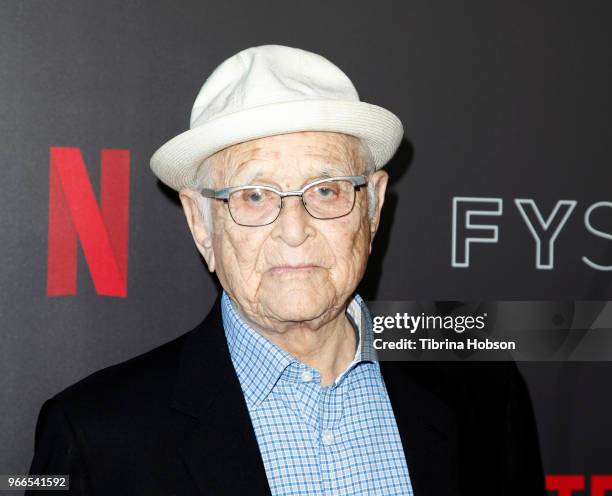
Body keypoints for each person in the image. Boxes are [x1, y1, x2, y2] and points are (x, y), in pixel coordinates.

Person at [27, 45, 546, 495]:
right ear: (201, 222)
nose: (293, 229)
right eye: (254, 195)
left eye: (326, 189)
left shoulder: (482, 389)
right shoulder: (94, 437)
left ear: (372, 208)